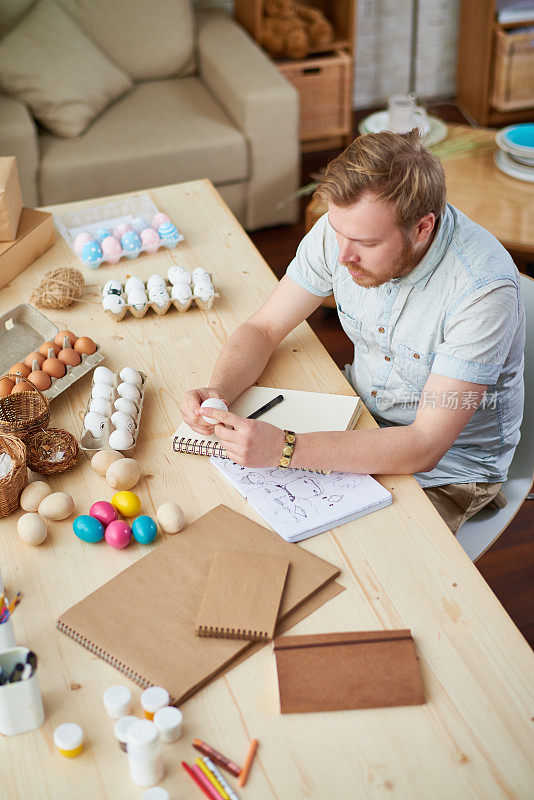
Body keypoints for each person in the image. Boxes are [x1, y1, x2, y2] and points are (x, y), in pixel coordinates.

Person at [181, 130, 525, 534]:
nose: (342, 255)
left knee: (356, 558)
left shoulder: (482, 292)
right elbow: (263, 327)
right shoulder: (344, 230)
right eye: (337, 231)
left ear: (422, 228)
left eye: (364, 241)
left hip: (449, 466)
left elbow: (425, 446)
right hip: (358, 412)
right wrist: (219, 390)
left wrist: (285, 448)